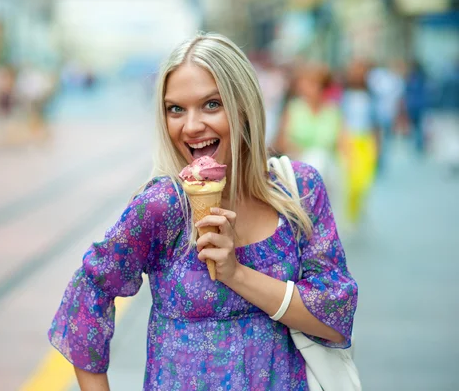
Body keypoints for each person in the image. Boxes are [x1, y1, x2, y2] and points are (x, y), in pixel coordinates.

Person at [48, 33, 358, 390]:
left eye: (211, 104)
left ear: (243, 106)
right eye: (175, 109)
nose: (191, 126)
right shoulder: (162, 207)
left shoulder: (299, 190)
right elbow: (89, 293)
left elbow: (335, 317)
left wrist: (235, 273)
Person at [274, 63, 347, 221]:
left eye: (311, 84)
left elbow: (342, 145)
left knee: (320, 159)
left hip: (327, 171)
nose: (305, 88)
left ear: (322, 87)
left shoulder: (333, 112)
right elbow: (281, 143)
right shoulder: (293, 109)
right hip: (299, 169)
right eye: (303, 84)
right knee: (315, 159)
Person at [341, 60, 378, 226]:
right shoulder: (344, 95)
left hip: (366, 140)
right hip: (350, 140)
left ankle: (360, 205)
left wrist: (377, 143)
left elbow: (375, 121)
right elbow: (340, 120)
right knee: (352, 180)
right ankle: (351, 212)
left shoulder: (370, 95)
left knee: (365, 179)